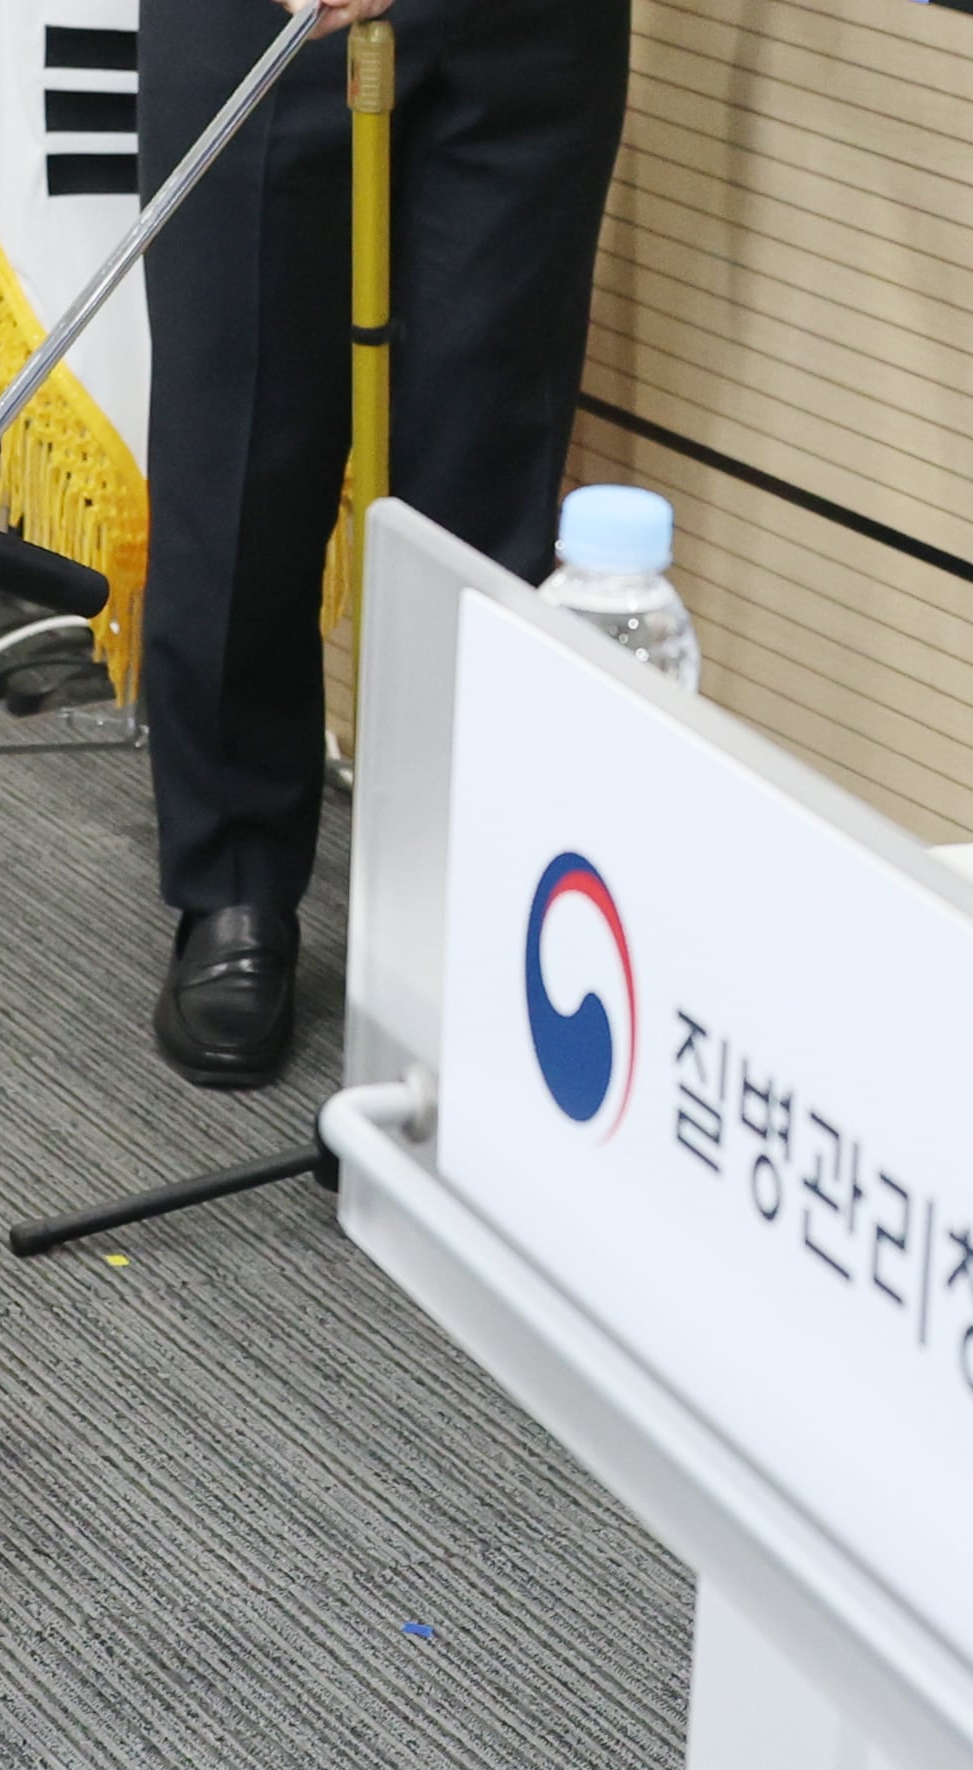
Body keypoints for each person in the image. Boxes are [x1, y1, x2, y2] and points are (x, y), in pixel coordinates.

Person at [138, 0, 630, 1085]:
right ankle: (234, 885)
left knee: (487, 473)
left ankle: (455, 893)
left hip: (532, 30)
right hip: (267, 22)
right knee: (241, 464)